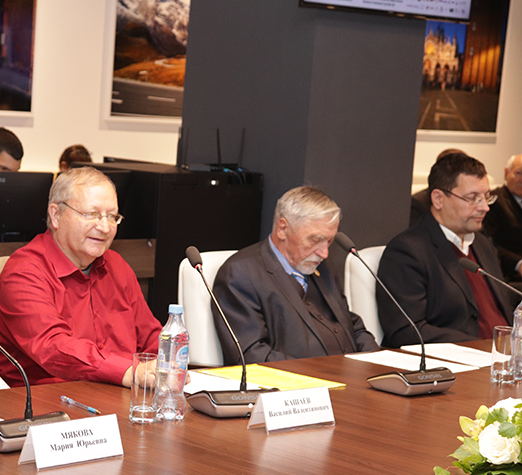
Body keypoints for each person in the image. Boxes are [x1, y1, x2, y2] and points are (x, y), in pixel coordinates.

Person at [0, 166, 161, 387]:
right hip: (46, 399)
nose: (105, 227)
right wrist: (128, 371)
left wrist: (167, 365)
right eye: (91, 214)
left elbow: (150, 336)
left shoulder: (117, 265)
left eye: (111, 216)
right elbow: (54, 348)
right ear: (56, 215)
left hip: (121, 392)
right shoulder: (24, 272)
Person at [212, 186, 380, 364]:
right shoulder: (240, 274)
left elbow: (352, 326)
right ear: (283, 229)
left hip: (348, 374)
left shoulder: (323, 267)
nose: (324, 253)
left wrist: (378, 363)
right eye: (315, 240)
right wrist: (321, 372)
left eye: (329, 241)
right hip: (299, 379)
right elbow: (251, 355)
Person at [378, 153, 516, 348]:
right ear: (438, 199)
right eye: (472, 198)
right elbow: (406, 330)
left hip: (507, 354)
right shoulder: (407, 251)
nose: (484, 207)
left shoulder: (482, 243)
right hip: (465, 358)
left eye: (486, 197)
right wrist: (481, 346)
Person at [482, 153, 522, 285]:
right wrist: (518, 263)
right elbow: (488, 244)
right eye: (519, 173)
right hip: (509, 276)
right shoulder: (492, 202)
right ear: (506, 173)